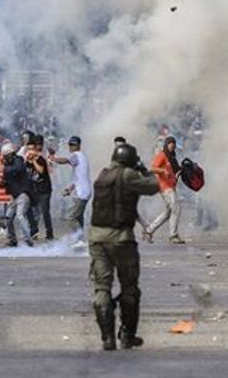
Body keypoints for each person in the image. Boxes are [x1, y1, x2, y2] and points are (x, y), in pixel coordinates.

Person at [89, 143, 159, 351]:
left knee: (102, 287)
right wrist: (144, 170)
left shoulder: (103, 175)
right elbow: (154, 186)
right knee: (129, 288)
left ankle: (107, 338)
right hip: (121, 237)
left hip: (97, 238)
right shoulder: (128, 175)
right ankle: (127, 335)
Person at [140, 136, 185, 244]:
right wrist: (163, 170)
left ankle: (149, 230)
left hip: (171, 186)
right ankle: (173, 235)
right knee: (176, 208)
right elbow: (153, 168)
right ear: (166, 145)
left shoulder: (172, 158)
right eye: (170, 144)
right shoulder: (162, 155)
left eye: (173, 144)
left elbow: (175, 170)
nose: (172, 146)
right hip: (165, 187)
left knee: (168, 212)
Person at [51, 136, 91, 245]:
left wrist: (53, 159)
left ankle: (81, 240)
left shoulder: (77, 155)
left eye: (73, 145)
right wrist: (70, 189)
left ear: (78, 145)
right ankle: (80, 240)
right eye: (70, 145)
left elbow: (65, 161)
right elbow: (79, 178)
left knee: (71, 217)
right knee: (78, 217)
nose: (71, 147)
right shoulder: (81, 157)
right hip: (83, 191)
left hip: (82, 193)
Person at [25, 134, 53, 240]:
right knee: (31, 211)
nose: (30, 151)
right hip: (34, 189)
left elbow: (41, 171)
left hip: (44, 189)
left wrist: (34, 161)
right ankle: (34, 231)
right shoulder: (27, 161)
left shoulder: (40, 159)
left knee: (45, 212)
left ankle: (49, 233)